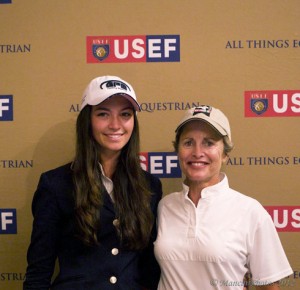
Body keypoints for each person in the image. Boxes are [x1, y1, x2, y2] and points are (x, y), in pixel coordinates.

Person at [23, 75, 163, 290]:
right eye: (103, 114)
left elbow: (149, 269)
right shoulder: (55, 185)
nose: (115, 125)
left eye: (125, 114)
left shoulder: (150, 186)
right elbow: (38, 273)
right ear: (87, 120)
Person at [154, 105, 293, 290]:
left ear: (226, 154)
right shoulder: (164, 206)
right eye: (188, 142)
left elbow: (269, 286)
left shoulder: (251, 212)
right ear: (177, 151)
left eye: (209, 143)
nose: (197, 152)